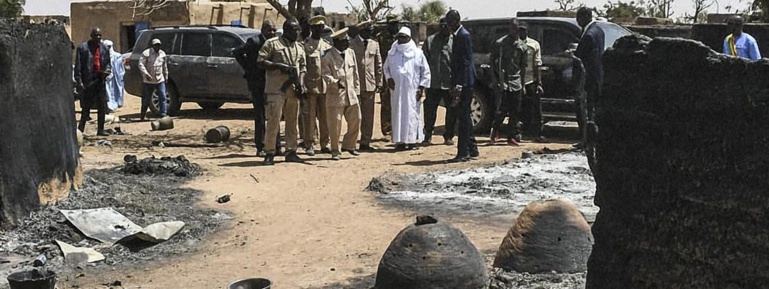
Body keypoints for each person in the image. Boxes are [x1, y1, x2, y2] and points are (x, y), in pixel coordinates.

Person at [258, 19, 307, 165]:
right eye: (294, 30)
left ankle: (291, 151)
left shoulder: (299, 47)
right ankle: (270, 152)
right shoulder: (272, 44)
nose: (297, 33)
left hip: (293, 89)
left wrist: (302, 84)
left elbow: (303, 67)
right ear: (286, 30)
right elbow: (260, 61)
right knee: (274, 121)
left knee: (292, 122)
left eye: (298, 30)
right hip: (276, 89)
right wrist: (279, 66)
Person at [233, 20, 281, 157]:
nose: (271, 33)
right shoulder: (254, 42)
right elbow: (237, 52)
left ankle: (276, 145)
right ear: (262, 30)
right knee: (260, 115)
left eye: (273, 30)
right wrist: (248, 68)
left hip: (273, 83)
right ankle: (260, 146)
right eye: (268, 30)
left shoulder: (276, 43)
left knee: (274, 114)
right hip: (257, 83)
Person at [384, 27, 431, 151]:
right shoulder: (392, 53)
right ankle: (399, 142)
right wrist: (389, 78)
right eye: (399, 37)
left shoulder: (417, 53)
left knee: (412, 115)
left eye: (403, 37)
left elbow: (425, 71)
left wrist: (421, 87)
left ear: (409, 38)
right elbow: (386, 68)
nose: (401, 40)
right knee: (398, 114)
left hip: (412, 90)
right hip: (397, 91)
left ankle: (412, 142)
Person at [321, 27, 362, 161]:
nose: (347, 43)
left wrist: (357, 91)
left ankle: (349, 145)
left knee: (357, 119)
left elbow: (355, 73)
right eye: (344, 41)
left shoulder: (351, 52)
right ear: (337, 42)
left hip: (351, 94)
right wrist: (335, 82)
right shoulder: (327, 56)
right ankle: (335, 150)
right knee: (335, 124)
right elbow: (325, 75)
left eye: (348, 40)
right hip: (335, 95)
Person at [446, 10, 479, 162]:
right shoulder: (459, 35)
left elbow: (465, 62)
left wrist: (459, 85)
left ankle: (463, 153)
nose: (448, 25)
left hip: (464, 82)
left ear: (455, 21)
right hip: (463, 80)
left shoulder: (463, 35)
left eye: (449, 22)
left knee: (463, 117)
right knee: (465, 115)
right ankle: (472, 148)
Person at [490, 18, 527, 146]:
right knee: (502, 109)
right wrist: (495, 79)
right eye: (512, 28)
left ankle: (510, 136)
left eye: (516, 29)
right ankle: (495, 128)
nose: (514, 31)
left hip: (516, 82)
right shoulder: (500, 43)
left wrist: (523, 84)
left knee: (515, 111)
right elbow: (492, 61)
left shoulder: (522, 46)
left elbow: (523, 67)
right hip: (504, 81)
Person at [421, 18, 456, 146]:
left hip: (449, 83)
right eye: (442, 25)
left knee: (451, 110)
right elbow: (423, 62)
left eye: (447, 25)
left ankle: (448, 136)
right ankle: (428, 135)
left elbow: (457, 63)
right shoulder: (430, 41)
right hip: (432, 83)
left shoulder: (455, 41)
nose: (444, 27)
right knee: (430, 110)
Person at [349, 20, 382, 151]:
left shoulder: (374, 44)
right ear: (362, 30)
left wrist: (379, 82)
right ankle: (351, 142)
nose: (371, 33)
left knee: (368, 115)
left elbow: (378, 64)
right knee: (355, 116)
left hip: (370, 85)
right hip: (355, 85)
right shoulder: (351, 44)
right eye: (368, 30)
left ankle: (365, 142)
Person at [302, 15, 333, 156]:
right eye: (316, 28)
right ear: (311, 28)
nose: (319, 30)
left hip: (324, 87)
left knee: (325, 117)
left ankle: (325, 143)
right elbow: (302, 66)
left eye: (321, 28)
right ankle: (309, 143)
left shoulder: (327, 46)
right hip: (310, 86)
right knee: (309, 117)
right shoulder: (305, 45)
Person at [574, 7, 605, 147]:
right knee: (592, 110)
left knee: (584, 109)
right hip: (597, 76)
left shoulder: (589, 35)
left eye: (578, 17)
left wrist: (572, 54)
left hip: (587, 77)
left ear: (585, 17)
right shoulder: (599, 30)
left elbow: (580, 55)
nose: (577, 20)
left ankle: (585, 140)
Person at [74, 27, 112, 135]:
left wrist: (107, 71)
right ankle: (80, 129)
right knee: (86, 107)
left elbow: (108, 63)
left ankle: (100, 129)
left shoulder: (104, 48)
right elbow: (78, 66)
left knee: (102, 105)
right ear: (91, 36)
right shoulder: (83, 48)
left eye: (100, 35)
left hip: (100, 80)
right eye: (96, 35)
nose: (98, 37)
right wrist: (79, 81)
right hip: (88, 80)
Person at [518, 25, 546, 143]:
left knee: (535, 108)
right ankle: (519, 133)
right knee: (519, 108)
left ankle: (538, 133)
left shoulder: (534, 44)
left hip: (531, 80)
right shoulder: (513, 45)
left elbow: (537, 64)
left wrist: (539, 82)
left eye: (523, 30)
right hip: (517, 80)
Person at [378, 15, 400, 136]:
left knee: (399, 101)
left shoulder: (402, 37)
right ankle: (387, 129)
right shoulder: (381, 37)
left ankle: (397, 127)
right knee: (386, 102)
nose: (394, 26)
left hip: (399, 73)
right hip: (385, 73)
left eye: (395, 23)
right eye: (391, 23)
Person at [138, 38, 169, 119]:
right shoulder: (146, 53)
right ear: (152, 46)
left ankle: (163, 114)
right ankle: (143, 114)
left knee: (162, 96)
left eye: (158, 45)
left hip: (160, 79)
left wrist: (166, 76)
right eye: (155, 45)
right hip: (149, 80)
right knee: (146, 99)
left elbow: (164, 66)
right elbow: (141, 64)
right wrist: (146, 74)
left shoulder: (162, 54)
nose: (157, 47)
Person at [102, 40, 125, 112]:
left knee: (115, 91)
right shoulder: (102, 56)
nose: (108, 48)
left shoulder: (117, 56)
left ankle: (115, 104)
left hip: (115, 78)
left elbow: (120, 68)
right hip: (106, 77)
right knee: (107, 92)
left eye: (109, 47)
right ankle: (109, 106)